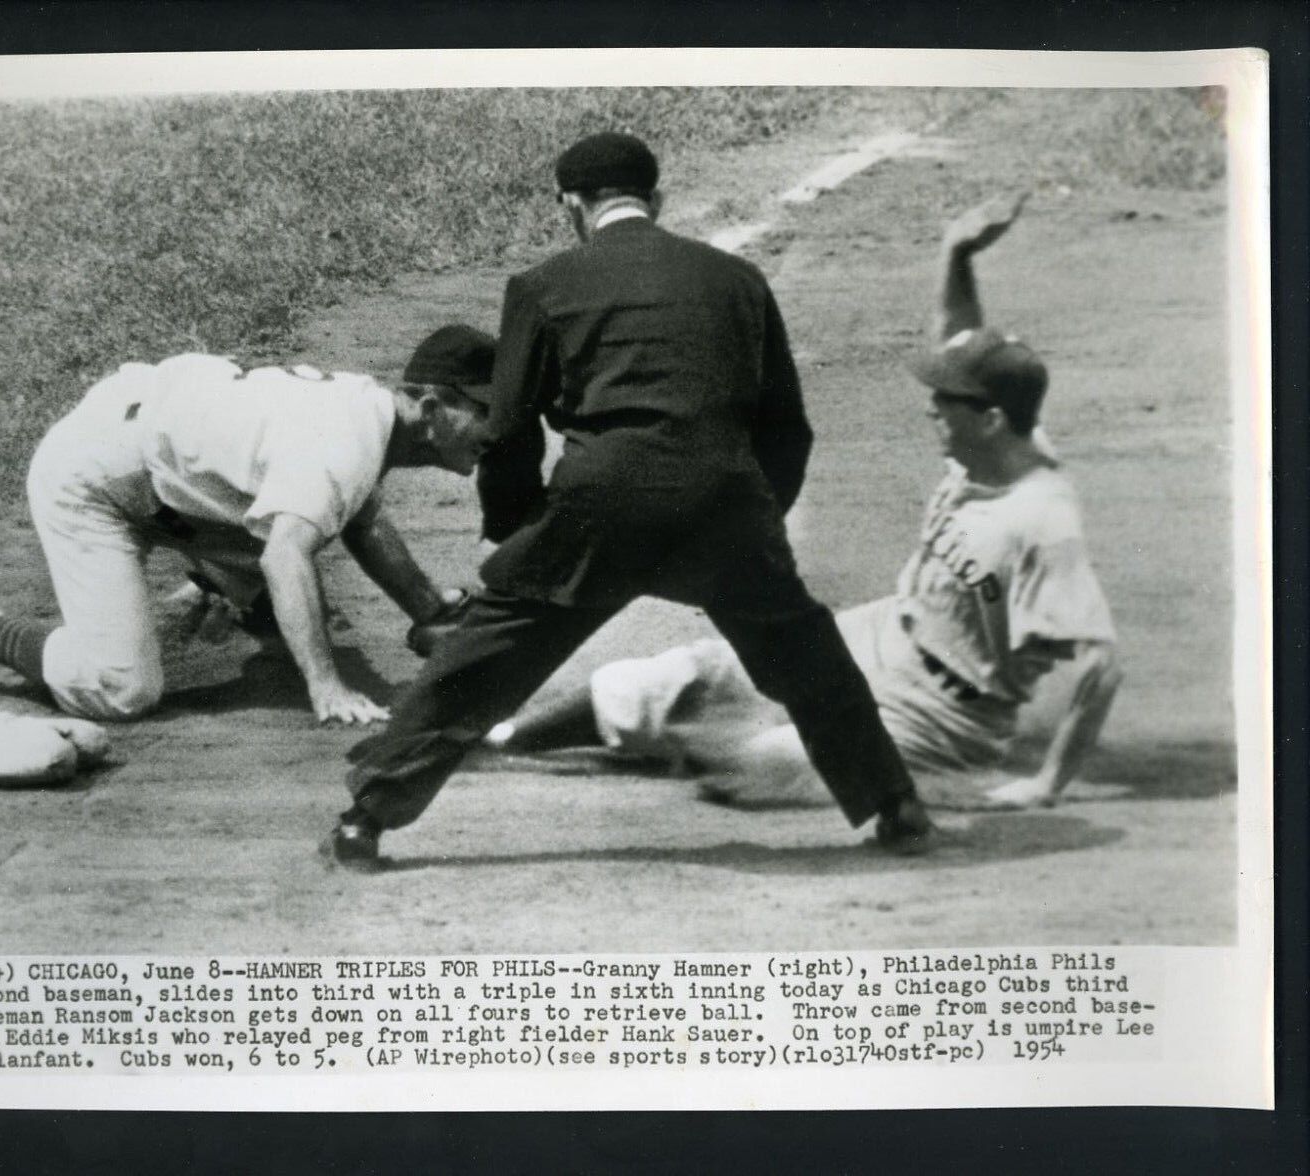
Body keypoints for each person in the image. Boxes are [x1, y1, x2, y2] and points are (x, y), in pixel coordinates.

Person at [323, 131, 933, 870]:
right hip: (724, 503)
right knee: (803, 650)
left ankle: (366, 821)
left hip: (597, 506)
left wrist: (517, 538)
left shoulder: (543, 285)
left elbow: (510, 431)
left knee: (481, 663)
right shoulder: (738, 279)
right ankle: (893, 805)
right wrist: (757, 520)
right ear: (657, 198)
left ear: (570, 206)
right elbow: (786, 429)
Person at [487, 195, 1122, 811]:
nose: (932, 407)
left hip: (944, 713)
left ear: (988, 419)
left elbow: (1101, 664)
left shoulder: (1042, 519)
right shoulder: (999, 440)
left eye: (947, 402)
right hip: (875, 638)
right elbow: (961, 341)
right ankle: (497, 742)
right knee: (684, 672)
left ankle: (714, 748)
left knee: (764, 762)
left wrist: (1047, 784)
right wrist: (957, 253)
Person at [0, 326, 497, 726]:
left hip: (157, 448)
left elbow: (364, 517)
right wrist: (327, 687)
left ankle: (226, 588)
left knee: (308, 533)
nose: (498, 431)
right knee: (122, 688)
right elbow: (286, 553)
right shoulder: (343, 444)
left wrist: (428, 611)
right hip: (93, 479)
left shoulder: (367, 411)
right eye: (484, 411)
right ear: (428, 405)